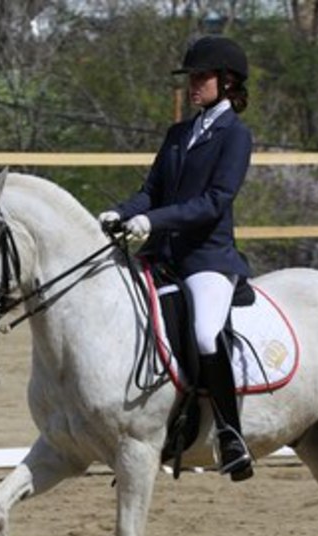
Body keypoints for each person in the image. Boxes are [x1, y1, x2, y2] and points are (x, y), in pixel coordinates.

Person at [98, 35, 254, 481]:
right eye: (191, 77)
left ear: (226, 82)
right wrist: (122, 212)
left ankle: (230, 434)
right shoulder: (178, 133)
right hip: (162, 256)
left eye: (200, 77)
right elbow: (151, 191)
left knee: (206, 334)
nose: (193, 85)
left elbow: (214, 201)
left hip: (208, 259)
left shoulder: (235, 137)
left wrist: (155, 221)